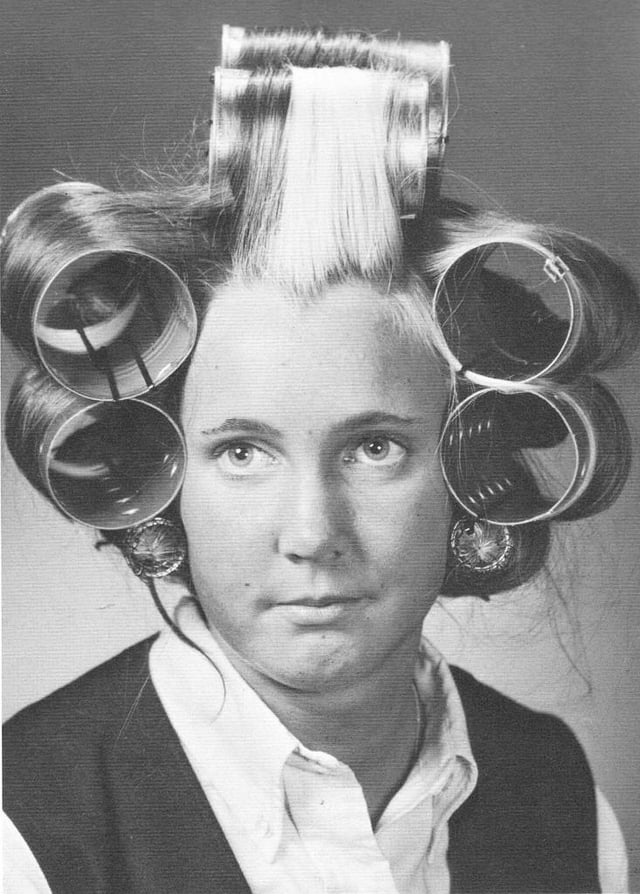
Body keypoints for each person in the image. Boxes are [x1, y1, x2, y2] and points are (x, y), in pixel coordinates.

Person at [2, 26, 638, 894]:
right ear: (165, 480)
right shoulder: (22, 831)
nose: (311, 533)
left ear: (467, 466)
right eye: (242, 452)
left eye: (374, 448)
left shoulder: (559, 797)